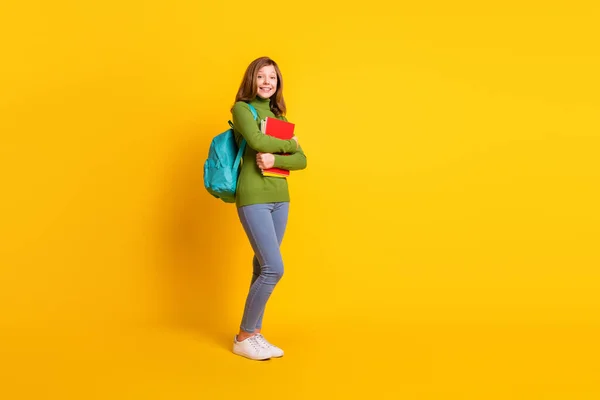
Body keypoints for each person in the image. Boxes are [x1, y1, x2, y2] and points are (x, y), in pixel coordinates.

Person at [229, 56, 307, 360]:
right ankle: (244, 335)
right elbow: (256, 140)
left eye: (272, 78)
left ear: (278, 83)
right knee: (275, 268)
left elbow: (302, 160)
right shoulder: (242, 109)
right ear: (252, 79)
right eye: (261, 77)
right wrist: (289, 144)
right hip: (254, 196)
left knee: (262, 267)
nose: (266, 82)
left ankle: (255, 334)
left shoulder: (279, 114)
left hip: (280, 198)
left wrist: (277, 159)